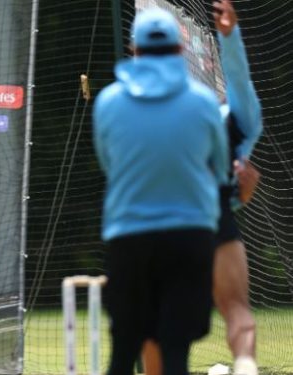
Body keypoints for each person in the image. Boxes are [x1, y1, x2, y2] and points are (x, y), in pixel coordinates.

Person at [92, 7, 229, 375]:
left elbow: (111, 164)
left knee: (123, 351)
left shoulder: (109, 102)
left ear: (134, 49)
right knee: (175, 351)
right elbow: (218, 167)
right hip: (190, 236)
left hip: (130, 236)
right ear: (180, 50)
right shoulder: (203, 103)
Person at [141, 1, 263, 374]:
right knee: (236, 307)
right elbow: (240, 81)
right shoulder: (239, 126)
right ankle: (244, 364)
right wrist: (230, 37)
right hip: (213, 219)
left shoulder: (148, 115)